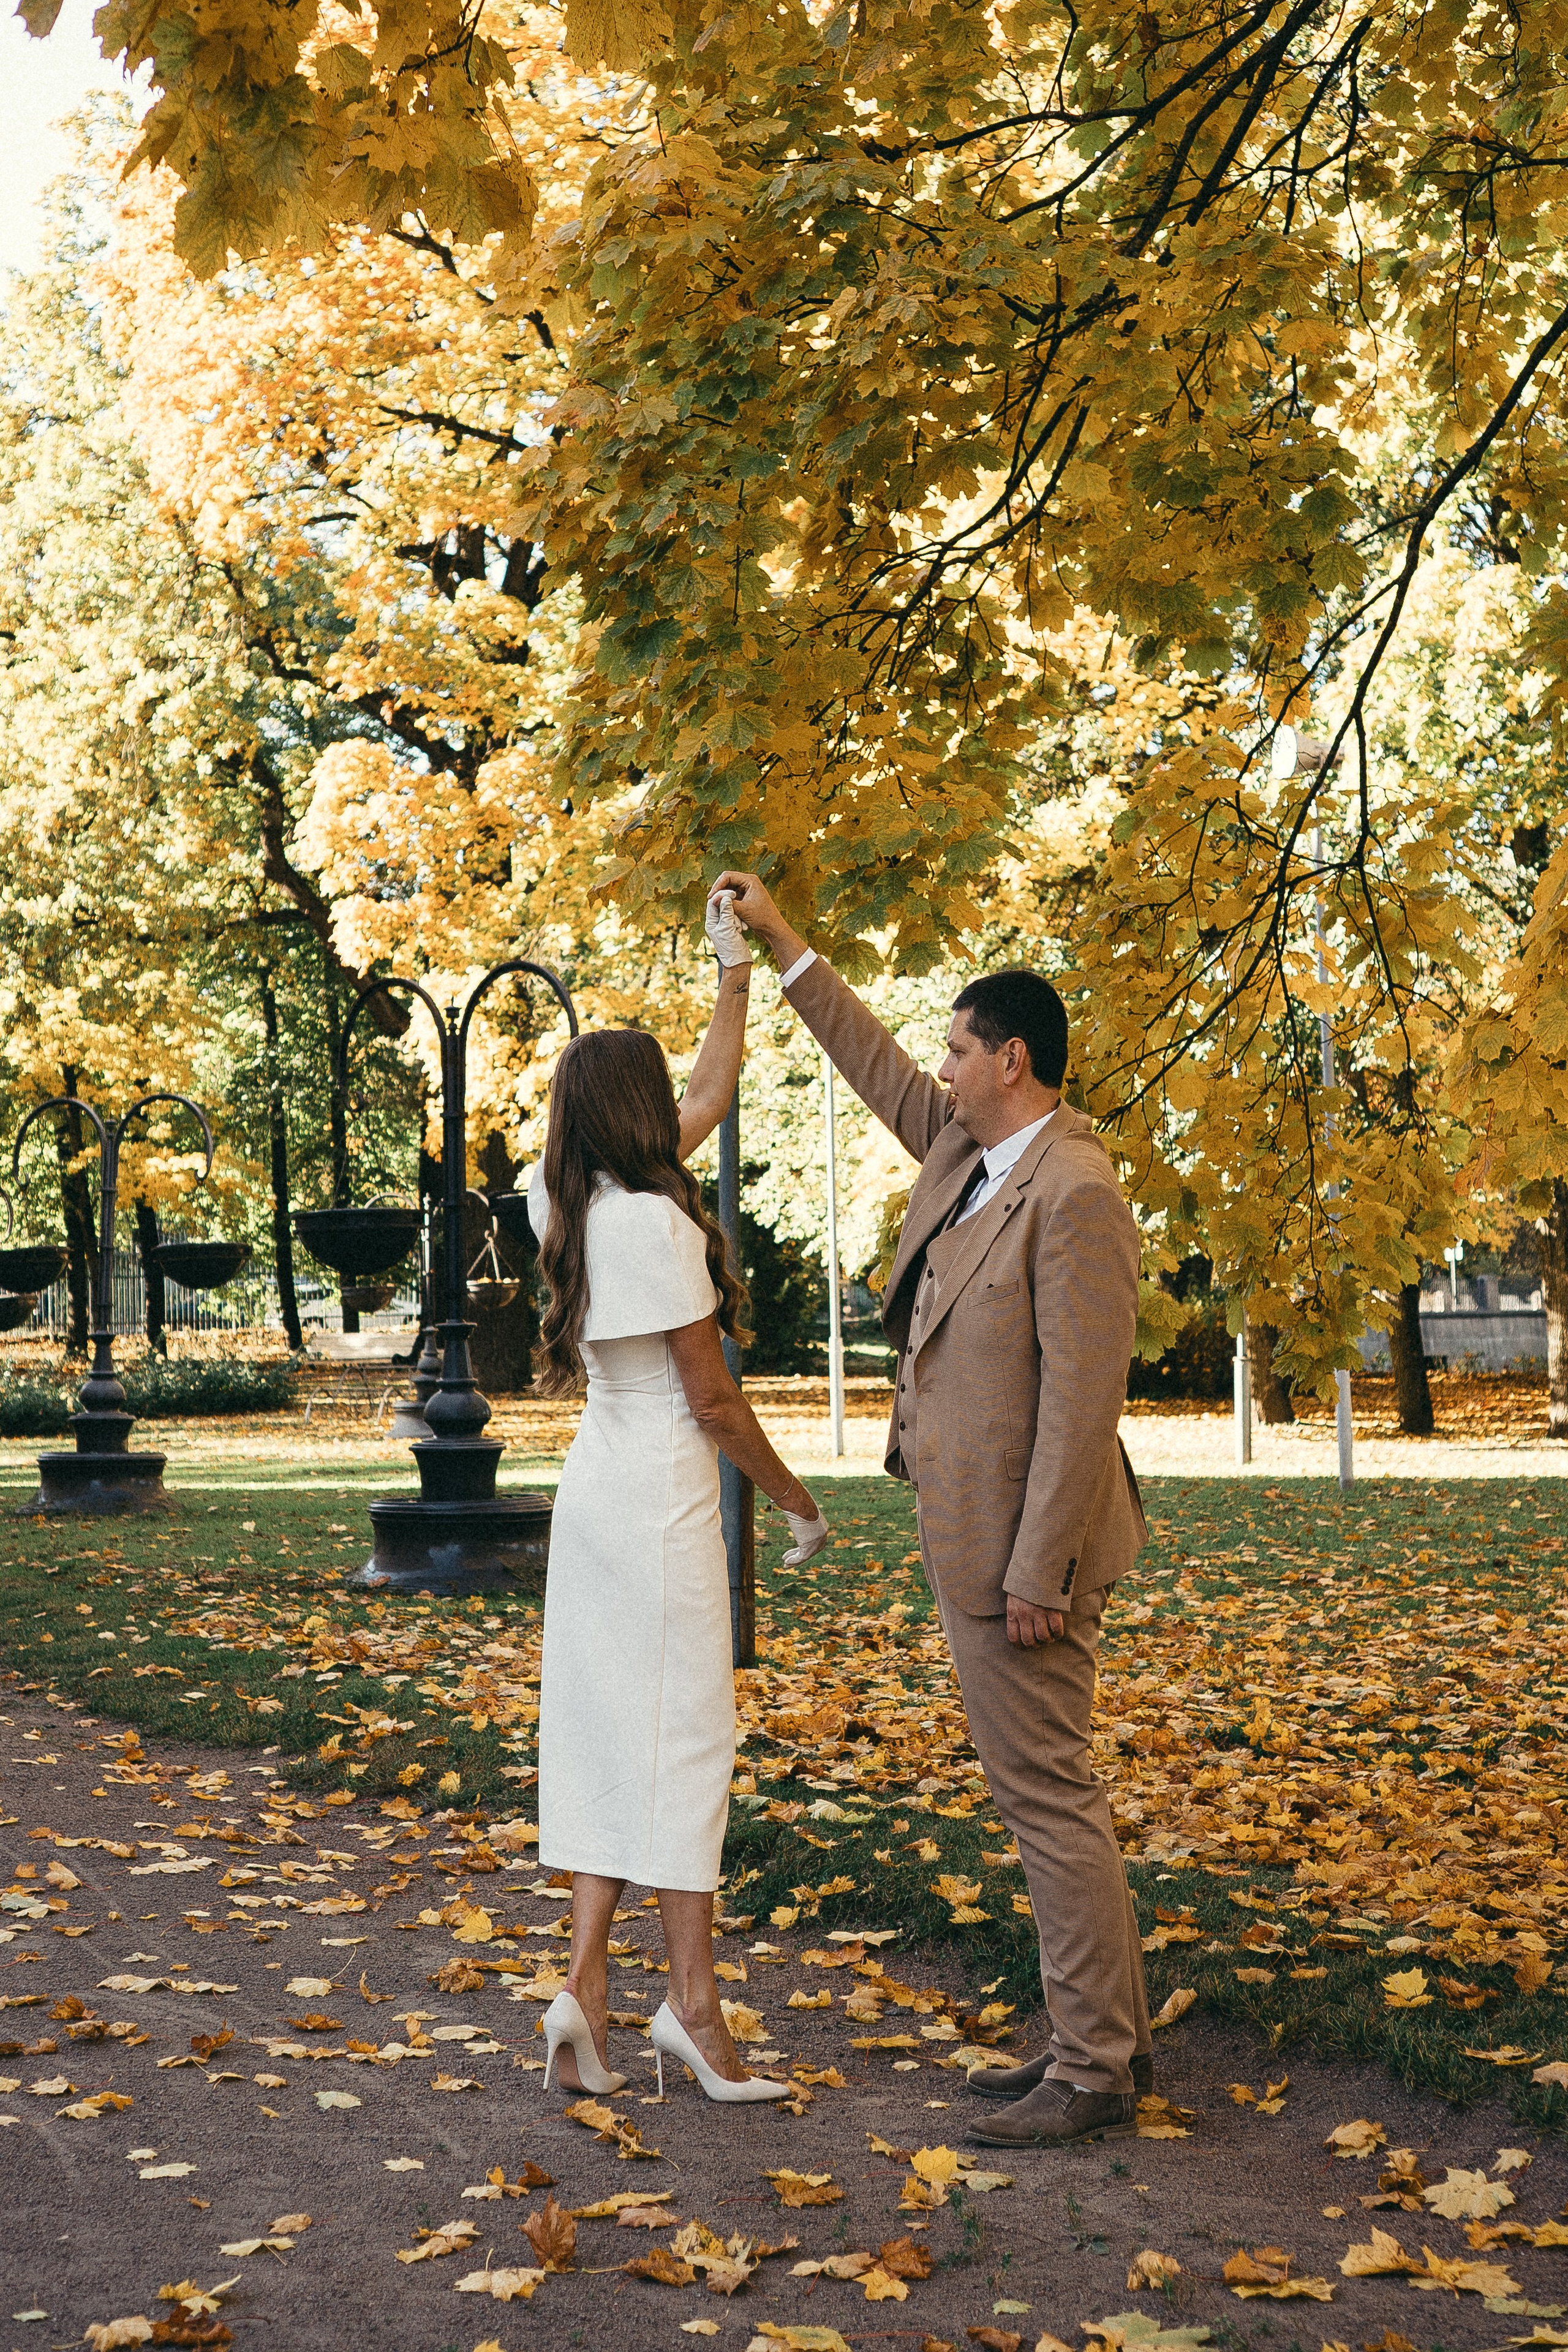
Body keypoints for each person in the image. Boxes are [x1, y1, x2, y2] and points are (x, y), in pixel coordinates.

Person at [709, 869, 1153, 2148]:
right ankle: (1100, 2044)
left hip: (1026, 1557)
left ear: (1011, 1060)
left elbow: (1080, 1407)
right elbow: (867, 1063)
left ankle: (1091, 2070)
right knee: (1045, 1794)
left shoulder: (1072, 1191)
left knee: (1046, 1796)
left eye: (958, 1048)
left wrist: (1036, 1571)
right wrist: (786, 943)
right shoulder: (972, 1149)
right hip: (978, 1535)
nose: (938, 1067)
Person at [526, 893, 830, 2106]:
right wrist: (799, 1500)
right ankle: (693, 2013)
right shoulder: (657, 1225)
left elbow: (701, 1098)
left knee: (608, 1739)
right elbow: (713, 1405)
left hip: (593, 1502)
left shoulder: (559, 1202)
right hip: (660, 1509)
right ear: (640, 1119)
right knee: (686, 1746)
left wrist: (731, 976)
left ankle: (586, 1992)